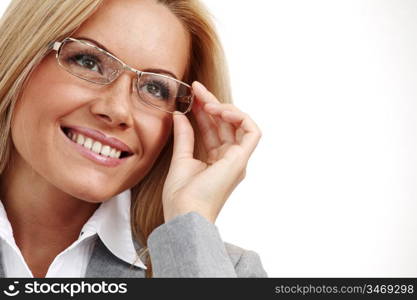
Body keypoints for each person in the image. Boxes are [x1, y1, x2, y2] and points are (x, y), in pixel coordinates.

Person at [0, 0, 267, 278]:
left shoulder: (227, 272)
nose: (117, 110)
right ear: (23, 59)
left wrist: (191, 217)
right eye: (88, 61)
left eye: (154, 88)